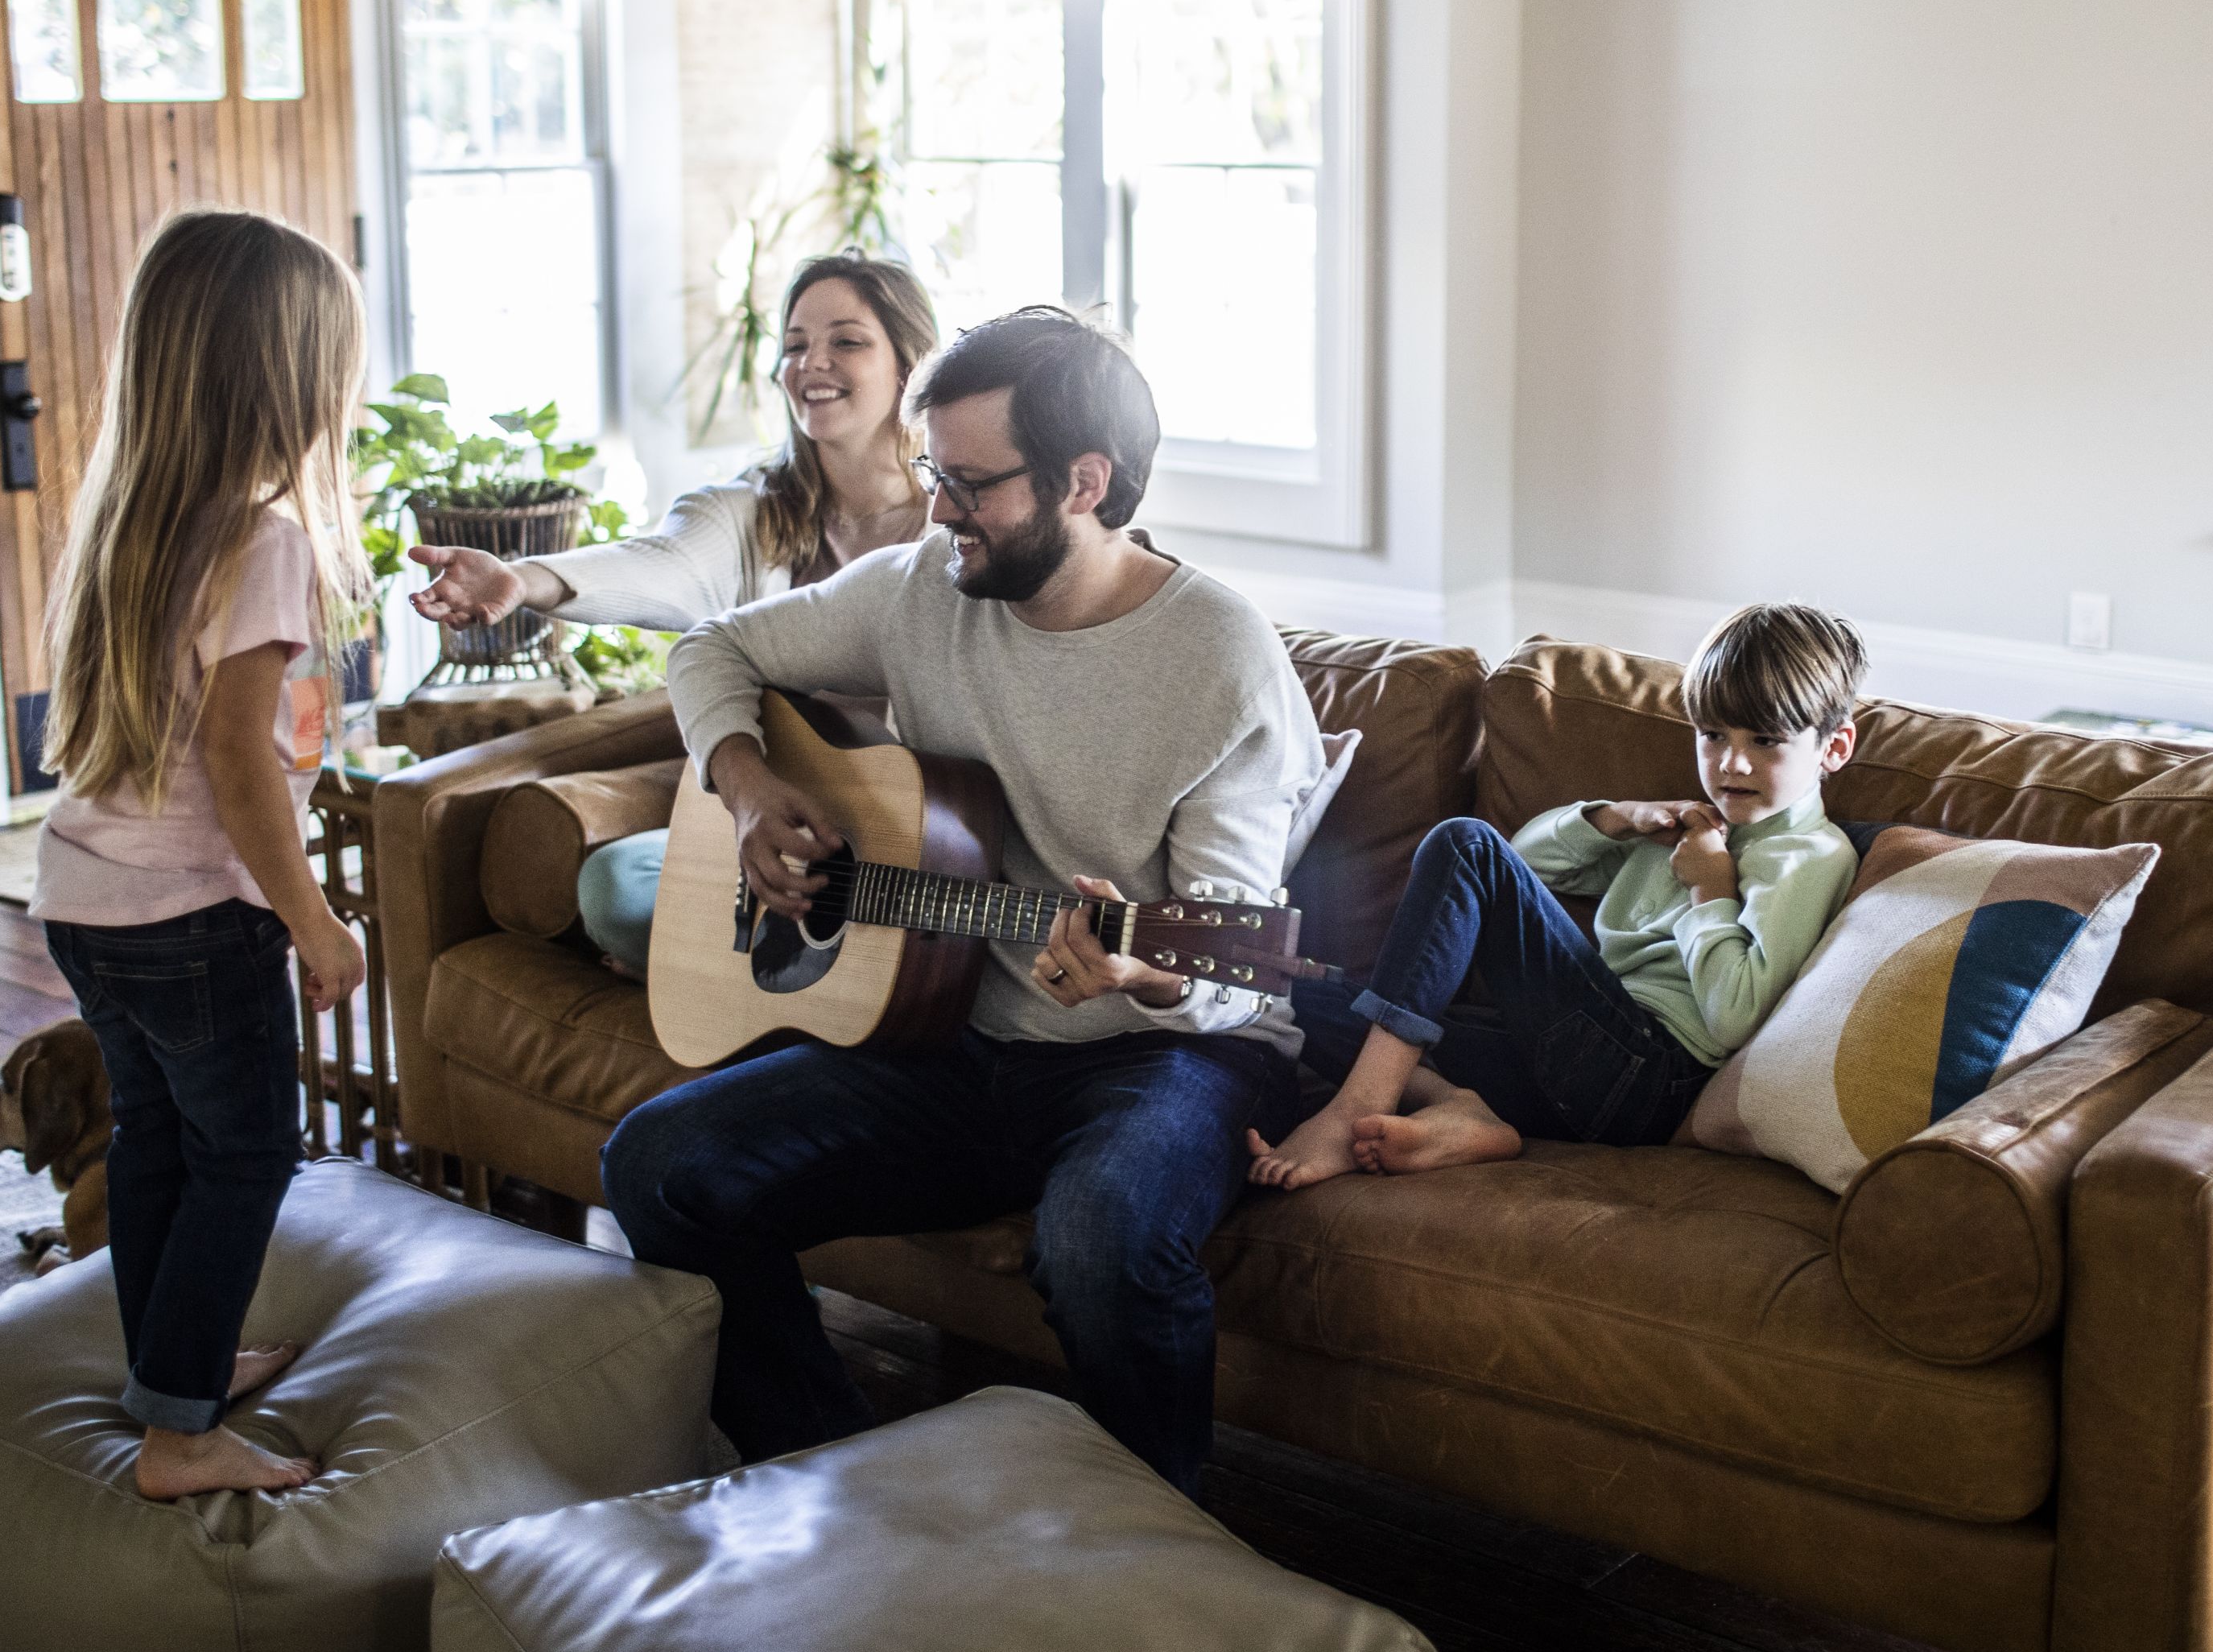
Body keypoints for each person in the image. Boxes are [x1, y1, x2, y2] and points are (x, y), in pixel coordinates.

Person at [601, 306, 1328, 1496]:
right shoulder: (918, 590)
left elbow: (1232, 960)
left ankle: (1158, 1561)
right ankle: (834, 1478)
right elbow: (708, 651)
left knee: (1100, 1237)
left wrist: (1143, 967)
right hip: (955, 1039)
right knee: (659, 1162)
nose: (938, 510)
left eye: (972, 484)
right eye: (934, 472)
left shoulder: (1219, 658)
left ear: (1084, 481)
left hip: (1161, 1054)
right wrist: (744, 789)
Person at [24, 209, 376, 1501]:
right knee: (249, 1152)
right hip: (189, 916)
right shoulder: (260, 540)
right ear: (283, 382)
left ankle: (172, 1368)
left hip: (86, 900)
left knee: (161, 1140)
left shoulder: (127, 518)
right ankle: (180, 1438)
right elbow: (240, 765)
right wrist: (315, 917)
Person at [403, 256, 938, 976]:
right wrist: (524, 578)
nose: (812, 362)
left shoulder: (956, 528)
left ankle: (718, 965)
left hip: (912, 840)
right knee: (615, 887)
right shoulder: (753, 510)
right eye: (794, 343)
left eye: (847, 341)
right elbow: (660, 561)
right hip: (769, 829)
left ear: (910, 367)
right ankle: (736, 963)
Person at [1247, 603, 1865, 1189]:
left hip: (1650, 1075)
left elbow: (1733, 1016)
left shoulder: (1809, 857)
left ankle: (1356, 1104)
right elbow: (1524, 866)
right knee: (1282, 990)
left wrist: (1711, 890)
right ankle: (1460, 1108)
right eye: (1711, 734)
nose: (1731, 761)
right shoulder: (1684, 827)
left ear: (1833, 747)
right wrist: (1617, 819)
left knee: (1464, 843)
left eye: (1765, 740)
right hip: (1563, 1062)